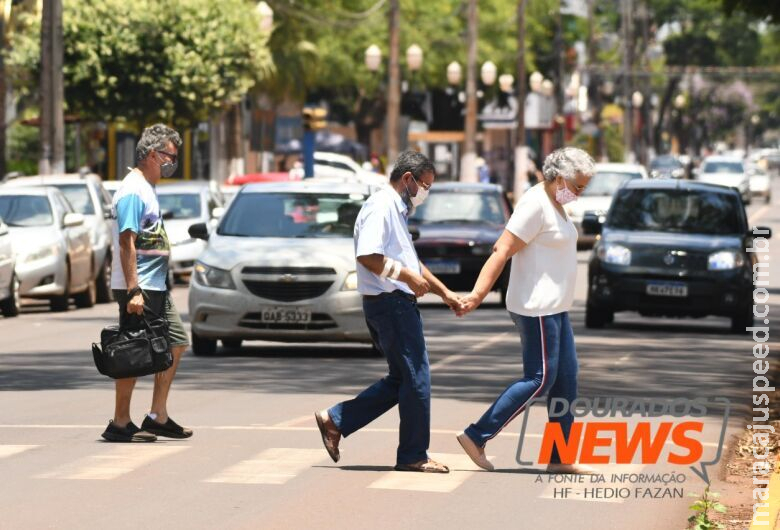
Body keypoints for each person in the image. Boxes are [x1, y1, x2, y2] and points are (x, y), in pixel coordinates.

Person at [314, 150, 461, 473]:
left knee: (402, 380)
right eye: (425, 185)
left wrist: (445, 293)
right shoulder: (383, 206)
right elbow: (369, 256)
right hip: (391, 304)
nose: (425, 193)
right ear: (408, 179)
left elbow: (411, 262)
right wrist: (406, 277)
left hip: (393, 303)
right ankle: (413, 455)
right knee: (416, 380)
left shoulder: (396, 209)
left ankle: (335, 420)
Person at [455, 147, 596, 474]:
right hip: (537, 307)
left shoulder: (556, 204)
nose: (578, 194)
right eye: (577, 186)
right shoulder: (535, 204)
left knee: (566, 381)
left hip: (556, 308)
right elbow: (501, 250)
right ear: (559, 178)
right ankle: (477, 435)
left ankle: (559, 457)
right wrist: (477, 294)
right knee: (540, 377)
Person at [101, 124, 192, 443]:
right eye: (170, 156)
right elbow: (126, 242)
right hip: (138, 287)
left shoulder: (145, 187)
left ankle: (157, 415)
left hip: (155, 285)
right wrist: (133, 290)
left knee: (176, 342)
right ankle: (120, 422)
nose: (172, 162)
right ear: (153, 155)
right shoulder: (132, 190)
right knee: (134, 351)